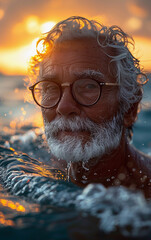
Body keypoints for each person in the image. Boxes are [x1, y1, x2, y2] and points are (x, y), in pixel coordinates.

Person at [28, 16, 151, 198]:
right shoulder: (30, 164)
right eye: (49, 87)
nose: (64, 106)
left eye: (89, 86)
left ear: (130, 108)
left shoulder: (143, 198)